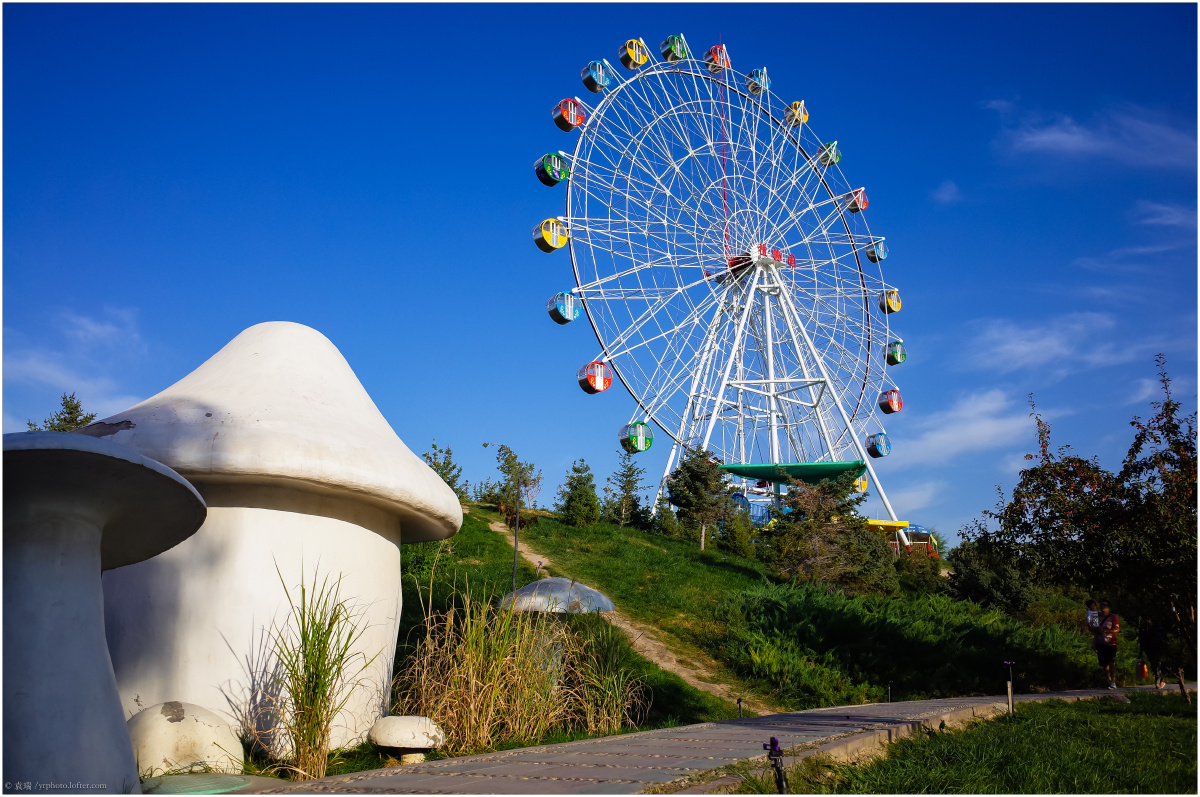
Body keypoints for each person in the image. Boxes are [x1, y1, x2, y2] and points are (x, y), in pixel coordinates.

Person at [1094, 600, 1120, 689]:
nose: (1102, 606)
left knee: (1111, 661)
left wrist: (1106, 630)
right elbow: (1093, 629)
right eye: (1101, 604)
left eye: (1105, 605)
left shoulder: (1113, 617)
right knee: (1104, 664)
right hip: (1100, 643)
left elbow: (1117, 629)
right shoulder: (1097, 616)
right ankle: (1109, 680)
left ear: (1109, 607)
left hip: (1110, 643)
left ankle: (1113, 681)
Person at [1139, 616, 1169, 689]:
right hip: (1149, 647)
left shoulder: (1158, 627)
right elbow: (1143, 638)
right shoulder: (1145, 627)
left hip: (1157, 647)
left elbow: (1163, 637)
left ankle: (1158, 681)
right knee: (1153, 664)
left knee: (1157, 663)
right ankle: (1160, 680)